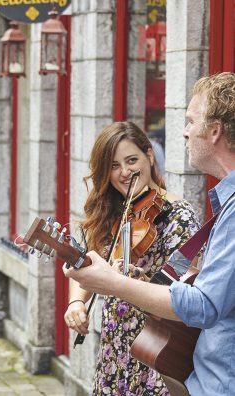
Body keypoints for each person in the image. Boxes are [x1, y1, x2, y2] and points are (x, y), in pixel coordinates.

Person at [64, 72, 235, 395]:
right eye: (114, 166)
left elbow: (201, 303)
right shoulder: (224, 205)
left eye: (190, 121)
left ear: (215, 132)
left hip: (166, 355)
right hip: (133, 349)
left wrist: (118, 282)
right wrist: (80, 298)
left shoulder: (192, 213)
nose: (183, 132)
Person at [64, 121, 201, 395]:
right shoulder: (112, 212)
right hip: (115, 347)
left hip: (153, 349)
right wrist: (77, 302)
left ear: (149, 156)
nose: (124, 172)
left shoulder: (179, 217)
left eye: (131, 160)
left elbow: (184, 291)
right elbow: (90, 263)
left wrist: (140, 278)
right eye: (114, 166)